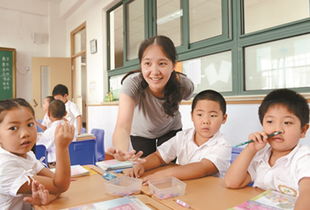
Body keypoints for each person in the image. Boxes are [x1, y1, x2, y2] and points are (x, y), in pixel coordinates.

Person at [111, 35, 194, 159]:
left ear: (173, 65)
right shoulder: (133, 83)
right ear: (141, 65)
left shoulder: (183, 84)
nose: (154, 71)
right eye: (147, 63)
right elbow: (122, 126)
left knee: (167, 168)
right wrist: (121, 151)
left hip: (170, 130)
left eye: (162, 63)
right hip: (141, 132)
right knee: (144, 166)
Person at [224, 89, 310, 209]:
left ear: (303, 130)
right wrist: (250, 149)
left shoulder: (303, 157)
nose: (277, 129)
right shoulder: (261, 154)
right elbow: (231, 182)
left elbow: (307, 194)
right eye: (270, 121)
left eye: (287, 122)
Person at [124, 90, 231, 182]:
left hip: (210, 191)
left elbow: (203, 168)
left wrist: (165, 174)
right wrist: (141, 165)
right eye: (199, 115)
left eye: (213, 116)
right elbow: (159, 157)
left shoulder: (223, 145)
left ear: (224, 118)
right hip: (187, 187)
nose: (205, 121)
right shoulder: (182, 136)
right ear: (192, 116)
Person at [0, 98, 75, 210]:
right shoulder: (4, 166)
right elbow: (60, 185)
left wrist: (50, 196)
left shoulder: (27, 155)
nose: (25, 133)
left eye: (30, 124)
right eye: (13, 128)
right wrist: (62, 147)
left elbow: (57, 183)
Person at [37, 99, 68, 166]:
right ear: (65, 113)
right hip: (71, 161)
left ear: (48, 114)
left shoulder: (50, 131)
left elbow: (40, 146)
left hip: (55, 164)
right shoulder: (71, 127)